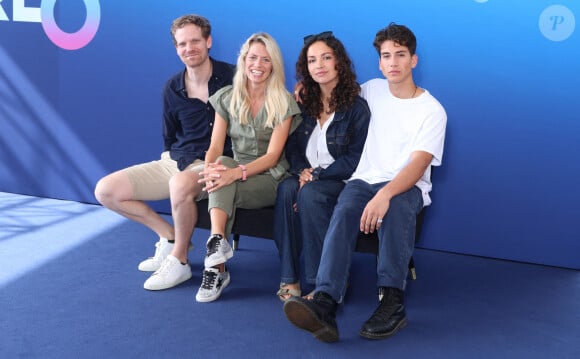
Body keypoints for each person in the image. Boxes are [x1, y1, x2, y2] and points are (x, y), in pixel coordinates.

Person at [283, 23, 447, 342]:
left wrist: (385, 194)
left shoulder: (432, 110)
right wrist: (305, 87)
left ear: (413, 60)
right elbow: (334, 88)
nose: (393, 63)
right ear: (380, 62)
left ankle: (392, 301)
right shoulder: (371, 89)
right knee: (344, 211)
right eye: (387, 56)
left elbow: (418, 164)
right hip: (363, 180)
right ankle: (326, 302)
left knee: (398, 208)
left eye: (400, 55)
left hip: (406, 187)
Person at [94, 15, 234, 286]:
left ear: (208, 42)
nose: (189, 48)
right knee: (106, 190)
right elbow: (169, 136)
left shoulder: (233, 76)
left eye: (195, 41)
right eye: (182, 44)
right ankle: (168, 237)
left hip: (218, 164)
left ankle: (179, 260)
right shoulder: (172, 87)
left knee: (179, 185)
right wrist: (173, 160)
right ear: (176, 49)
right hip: (178, 160)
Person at [187, 32, 301, 302]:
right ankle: (218, 244)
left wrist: (233, 174)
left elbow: (273, 156)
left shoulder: (283, 101)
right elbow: (215, 146)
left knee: (225, 181)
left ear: (273, 65)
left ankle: (217, 270)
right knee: (221, 168)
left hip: (269, 177)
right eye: (252, 58)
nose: (258, 65)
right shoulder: (227, 97)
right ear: (243, 60)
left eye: (265, 59)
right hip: (233, 170)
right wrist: (210, 169)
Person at [273, 32, 370, 302]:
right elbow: (292, 148)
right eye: (313, 60)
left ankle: (322, 282)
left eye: (326, 57)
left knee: (310, 194)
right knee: (286, 190)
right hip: (307, 176)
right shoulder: (305, 104)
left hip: (340, 180)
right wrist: (303, 172)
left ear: (339, 61)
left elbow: (355, 159)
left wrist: (317, 175)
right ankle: (289, 277)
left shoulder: (357, 109)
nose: (320, 65)